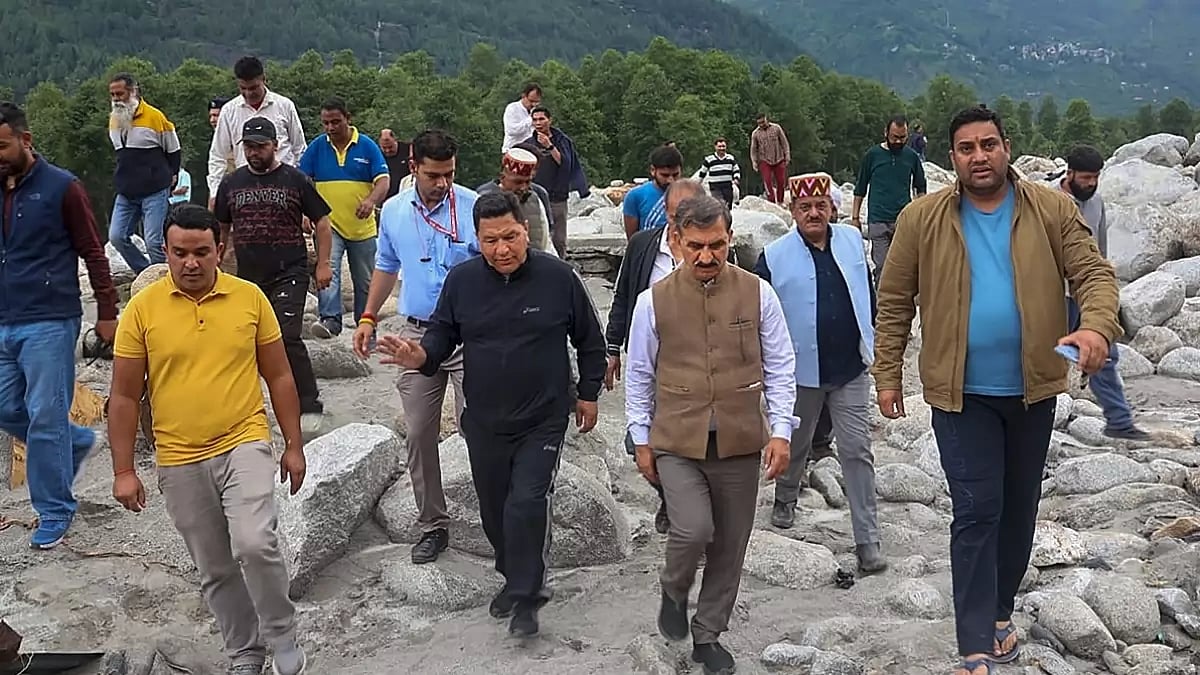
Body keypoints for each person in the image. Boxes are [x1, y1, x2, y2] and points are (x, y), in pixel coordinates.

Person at [873, 105, 1120, 675]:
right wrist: (888, 373)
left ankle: (1001, 611)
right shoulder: (921, 218)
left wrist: (1095, 325)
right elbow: (893, 301)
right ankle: (973, 644)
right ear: (951, 157)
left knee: (1018, 510)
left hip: (1033, 389)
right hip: (960, 394)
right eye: (966, 148)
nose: (979, 156)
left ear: (1007, 147)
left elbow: (1093, 272)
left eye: (988, 144)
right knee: (978, 508)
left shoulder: (1051, 208)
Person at [376, 190, 606, 637]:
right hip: (483, 420)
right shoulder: (462, 282)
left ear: (526, 231)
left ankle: (527, 595)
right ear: (476, 240)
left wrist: (589, 393)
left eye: (511, 237)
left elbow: (589, 340)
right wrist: (419, 355)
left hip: (543, 416)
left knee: (526, 504)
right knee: (494, 514)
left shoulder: (558, 278)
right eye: (490, 240)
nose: (502, 249)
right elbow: (441, 338)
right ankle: (512, 575)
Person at [108, 204, 309, 675]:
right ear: (166, 251)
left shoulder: (249, 298)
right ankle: (245, 651)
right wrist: (123, 470)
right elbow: (122, 395)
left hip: (244, 439)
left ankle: (281, 635)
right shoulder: (142, 309)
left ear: (221, 249)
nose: (191, 263)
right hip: (177, 456)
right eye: (180, 253)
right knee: (215, 567)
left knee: (255, 543)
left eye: (202, 252)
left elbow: (279, 375)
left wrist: (294, 444)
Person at [626, 193, 796, 675]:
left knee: (730, 544)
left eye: (717, 245)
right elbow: (639, 374)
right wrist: (641, 439)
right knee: (694, 528)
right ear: (677, 242)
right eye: (696, 245)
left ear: (729, 239)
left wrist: (781, 431)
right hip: (677, 439)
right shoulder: (652, 301)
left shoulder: (758, 293)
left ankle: (708, 634)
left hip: (741, 439)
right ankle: (674, 588)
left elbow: (782, 364)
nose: (707, 257)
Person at [351, 129, 479, 565]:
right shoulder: (392, 211)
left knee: (476, 426)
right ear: (413, 168)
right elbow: (386, 265)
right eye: (433, 175)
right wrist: (368, 316)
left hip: (469, 332)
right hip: (417, 333)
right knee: (420, 431)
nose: (442, 183)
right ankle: (433, 524)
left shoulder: (472, 206)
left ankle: (495, 513)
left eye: (448, 174)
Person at [0, 101, 118, 549]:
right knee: (7, 407)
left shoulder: (63, 187)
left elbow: (93, 251)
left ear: (25, 141)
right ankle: (75, 441)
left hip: (50, 317)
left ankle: (54, 509)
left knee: (45, 416)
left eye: (2, 146)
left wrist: (107, 312)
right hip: (3, 316)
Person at [755, 172, 885, 573]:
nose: (814, 213)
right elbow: (760, 313)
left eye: (820, 206)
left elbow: (867, 290)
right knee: (795, 440)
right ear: (792, 211)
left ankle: (868, 540)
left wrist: (874, 332)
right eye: (804, 207)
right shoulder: (773, 256)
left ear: (832, 207)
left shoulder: (850, 241)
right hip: (798, 368)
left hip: (850, 367)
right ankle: (785, 496)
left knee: (857, 449)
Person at [214, 117, 332, 432]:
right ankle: (243, 405)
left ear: (275, 145)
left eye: (260, 146)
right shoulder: (232, 183)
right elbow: (221, 226)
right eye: (249, 147)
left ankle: (308, 402)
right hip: (247, 274)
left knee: (286, 335)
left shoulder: (295, 180)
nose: (254, 152)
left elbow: (322, 221)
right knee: (242, 340)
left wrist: (323, 263)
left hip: (289, 270)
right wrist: (219, 257)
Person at [605, 178, 705, 534]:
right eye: (677, 215)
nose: (681, 223)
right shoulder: (643, 245)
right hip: (649, 360)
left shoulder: (709, 249)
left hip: (697, 366)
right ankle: (671, 495)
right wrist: (612, 346)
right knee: (639, 441)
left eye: (690, 215)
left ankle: (686, 507)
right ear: (665, 212)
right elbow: (623, 296)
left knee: (692, 442)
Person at [1051, 145, 1149, 441]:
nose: (1091, 183)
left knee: (1106, 354)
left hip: (1087, 296)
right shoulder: (1047, 200)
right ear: (1069, 173)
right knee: (1039, 357)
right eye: (1086, 178)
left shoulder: (1096, 202)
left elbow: (1100, 251)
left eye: (1096, 177)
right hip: (1054, 297)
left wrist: (1105, 291)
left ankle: (1119, 421)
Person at [299, 97, 390, 339]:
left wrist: (371, 201)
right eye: (326, 123)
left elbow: (383, 180)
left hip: (362, 227)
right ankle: (329, 320)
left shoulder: (367, 146)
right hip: (328, 224)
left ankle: (366, 325)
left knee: (365, 280)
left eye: (335, 122)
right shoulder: (317, 147)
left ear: (348, 119)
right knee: (328, 270)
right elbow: (302, 181)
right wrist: (304, 211)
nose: (330, 128)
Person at [208, 56, 307, 208]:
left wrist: (301, 188)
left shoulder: (285, 106)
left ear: (264, 79)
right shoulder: (229, 111)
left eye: (253, 88)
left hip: (284, 187)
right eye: (243, 88)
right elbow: (218, 155)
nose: (248, 93)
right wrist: (215, 193)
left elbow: (299, 149)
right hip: (245, 188)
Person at [107, 73, 181, 273]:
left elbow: (173, 149)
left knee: (153, 242)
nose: (115, 99)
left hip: (154, 188)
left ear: (133, 91)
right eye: (112, 94)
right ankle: (145, 273)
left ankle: (163, 278)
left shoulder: (155, 117)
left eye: (119, 94)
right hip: (126, 190)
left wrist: (173, 174)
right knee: (117, 236)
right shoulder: (114, 120)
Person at [851, 114, 928, 286]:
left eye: (903, 137)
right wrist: (855, 218)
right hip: (877, 219)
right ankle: (882, 305)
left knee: (903, 267)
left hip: (903, 220)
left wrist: (920, 214)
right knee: (882, 266)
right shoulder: (873, 155)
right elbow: (860, 186)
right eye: (895, 137)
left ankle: (900, 304)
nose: (899, 142)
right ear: (886, 132)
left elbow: (920, 187)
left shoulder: (911, 157)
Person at [523, 106, 589, 257]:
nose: (538, 123)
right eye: (535, 120)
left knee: (559, 238)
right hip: (535, 196)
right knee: (536, 236)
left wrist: (549, 146)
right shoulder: (528, 143)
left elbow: (566, 164)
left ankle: (561, 266)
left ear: (549, 120)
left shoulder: (562, 141)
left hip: (557, 195)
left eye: (541, 119)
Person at [477, 147, 555, 254]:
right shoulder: (482, 198)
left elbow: (546, 242)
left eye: (527, 182)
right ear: (502, 177)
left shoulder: (536, 199)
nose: (523, 187)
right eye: (518, 182)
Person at [623, 145, 683, 238]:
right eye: (665, 175)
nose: (670, 180)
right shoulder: (635, 196)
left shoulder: (690, 195)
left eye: (675, 175)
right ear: (653, 170)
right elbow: (633, 240)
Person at [750, 114, 790, 204]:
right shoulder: (755, 133)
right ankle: (771, 201)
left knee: (781, 181)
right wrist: (754, 162)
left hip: (778, 158)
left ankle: (780, 201)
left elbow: (784, 142)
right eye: (759, 123)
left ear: (766, 120)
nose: (761, 125)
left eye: (763, 122)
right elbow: (753, 149)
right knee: (767, 181)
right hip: (764, 160)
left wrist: (787, 155)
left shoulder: (776, 128)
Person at [697, 138, 741, 208]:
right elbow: (702, 173)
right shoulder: (709, 159)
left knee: (727, 207)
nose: (721, 148)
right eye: (719, 146)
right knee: (718, 205)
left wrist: (736, 178)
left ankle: (727, 218)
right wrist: (697, 184)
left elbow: (736, 169)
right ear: (715, 147)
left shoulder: (730, 158)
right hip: (715, 187)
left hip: (727, 186)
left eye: (723, 146)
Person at [501, 83, 542, 153]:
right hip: (512, 151)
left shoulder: (535, 111)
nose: (534, 104)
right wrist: (531, 120)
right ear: (523, 96)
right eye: (531, 101)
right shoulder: (512, 108)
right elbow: (511, 130)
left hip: (531, 151)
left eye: (537, 102)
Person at [380, 129, 411, 200]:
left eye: (390, 147)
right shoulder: (378, 155)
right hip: (386, 198)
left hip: (405, 195)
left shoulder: (408, 150)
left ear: (395, 140)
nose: (387, 150)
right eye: (384, 148)